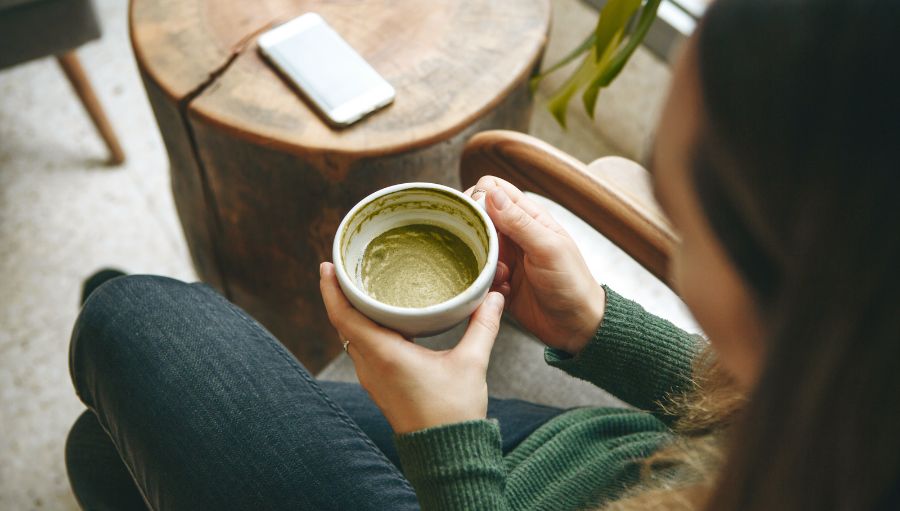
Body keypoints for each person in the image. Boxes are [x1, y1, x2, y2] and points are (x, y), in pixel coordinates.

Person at [65, 0, 900, 509]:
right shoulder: (858, 396)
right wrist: (600, 326)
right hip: (593, 461)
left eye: (680, 208)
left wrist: (449, 441)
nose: (665, 240)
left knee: (128, 319)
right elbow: (756, 414)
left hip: (480, 487)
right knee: (98, 450)